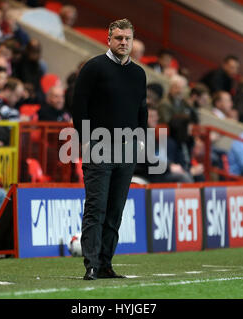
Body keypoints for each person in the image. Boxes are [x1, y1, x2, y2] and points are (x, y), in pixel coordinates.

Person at [71, 18, 147, 280]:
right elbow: (78, 106)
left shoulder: (139, 73)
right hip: (99, 148)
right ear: (109, 40)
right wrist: (86, 140)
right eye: (118, 38)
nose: (123, 42)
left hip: (127, 150)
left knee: (116, 210)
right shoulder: (94, 68)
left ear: (132, 40)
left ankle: (105, 264)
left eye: (127, 38)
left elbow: (141, 109)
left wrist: (140, 140)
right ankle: (91, 264)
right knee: (96, 208)